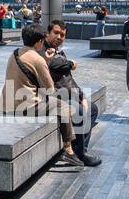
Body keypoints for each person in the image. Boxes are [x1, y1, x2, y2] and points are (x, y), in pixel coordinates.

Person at [1, 25, 83, 169]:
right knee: (64, 107)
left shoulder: (14, 53)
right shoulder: (38, 59)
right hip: (24, 106)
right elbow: (49, 90)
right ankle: (68, 149)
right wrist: (47, 62)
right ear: (39, 41)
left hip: (6, 102)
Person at [43, 19, 101, 165]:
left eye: (62, 35)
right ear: (47, 33)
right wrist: (71, 64)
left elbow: (68, 79)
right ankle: (81, 154)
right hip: (50, 97)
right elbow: (57, 66)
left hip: (64, 94)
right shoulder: (43, 50)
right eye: (56, 33)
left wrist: (81, 95)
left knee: (92, 108)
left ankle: (81, 149)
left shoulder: (59, 52)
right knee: (79, 111)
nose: (59, 37)